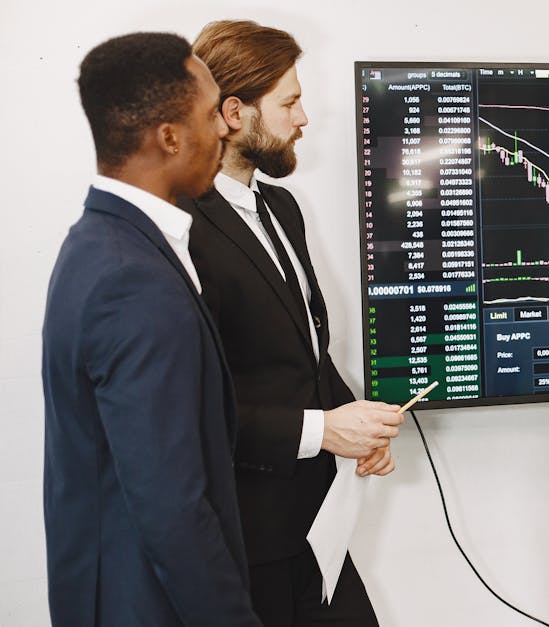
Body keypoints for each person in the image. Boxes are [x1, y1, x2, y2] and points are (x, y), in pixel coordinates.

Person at [181, 20, 401, 625]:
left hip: (314, 528)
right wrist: (324, 432)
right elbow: (190, 408)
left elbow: (305, 350)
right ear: (233, 112)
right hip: (241, 544)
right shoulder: (178, 229)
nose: (304, 119)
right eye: (290, 102)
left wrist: (359, 423)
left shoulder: (280, 207)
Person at [42, 32, 260, 625]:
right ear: (168, 136)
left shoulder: (99, 242)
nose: (225, 129)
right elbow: (172, 508)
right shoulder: (129, 280)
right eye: (212, 113)